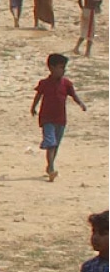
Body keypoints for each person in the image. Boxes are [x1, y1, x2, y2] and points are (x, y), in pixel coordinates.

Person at [31, 54, 85, 183]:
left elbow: (74, 95)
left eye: (64, 68)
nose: (63, 70)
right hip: (46, 118)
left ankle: (49, 165)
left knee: (56, 145)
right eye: (61, 67)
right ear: (51, 68)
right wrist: (33, 107)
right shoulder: (44, 83)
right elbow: (38, 95)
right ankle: (51, 169)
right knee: (51, 142)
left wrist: (81, 104)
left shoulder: (66, 84)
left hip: (60, 119)